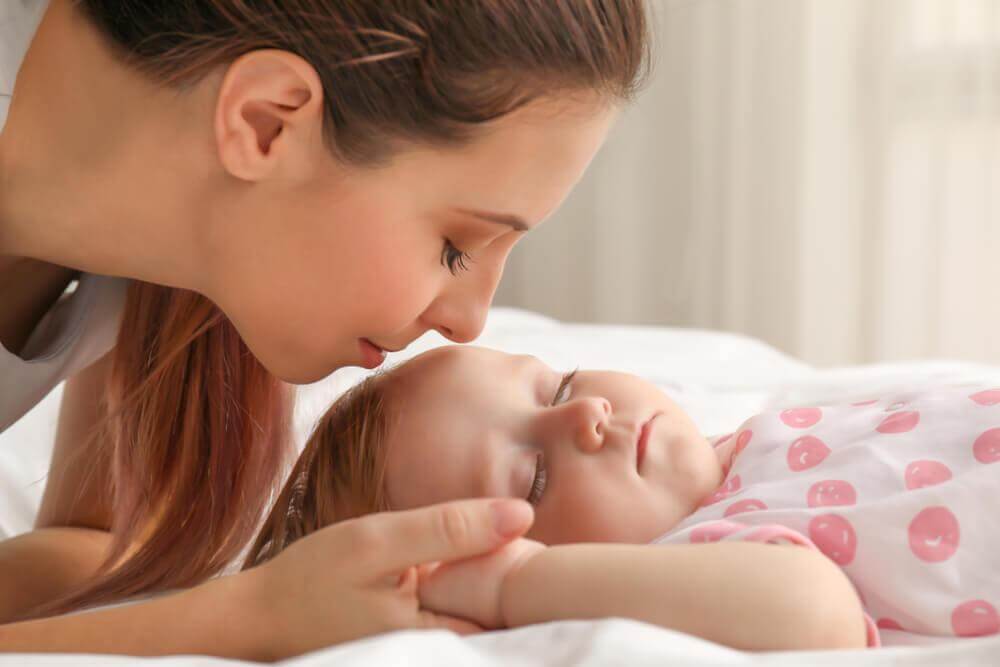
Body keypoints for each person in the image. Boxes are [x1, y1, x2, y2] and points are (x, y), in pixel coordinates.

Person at [0, 0, 650, 659]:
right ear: (266, 123)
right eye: (455, 246)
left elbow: (89, 551)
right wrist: (244, 617)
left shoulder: (153, 229)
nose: (468, 321)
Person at [245, 345, 1000, 650]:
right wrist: (511, 587)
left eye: (558, 386)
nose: (584, 417)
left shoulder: (754, 437)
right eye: (532, 475)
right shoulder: (694, 557)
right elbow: (816, 614)